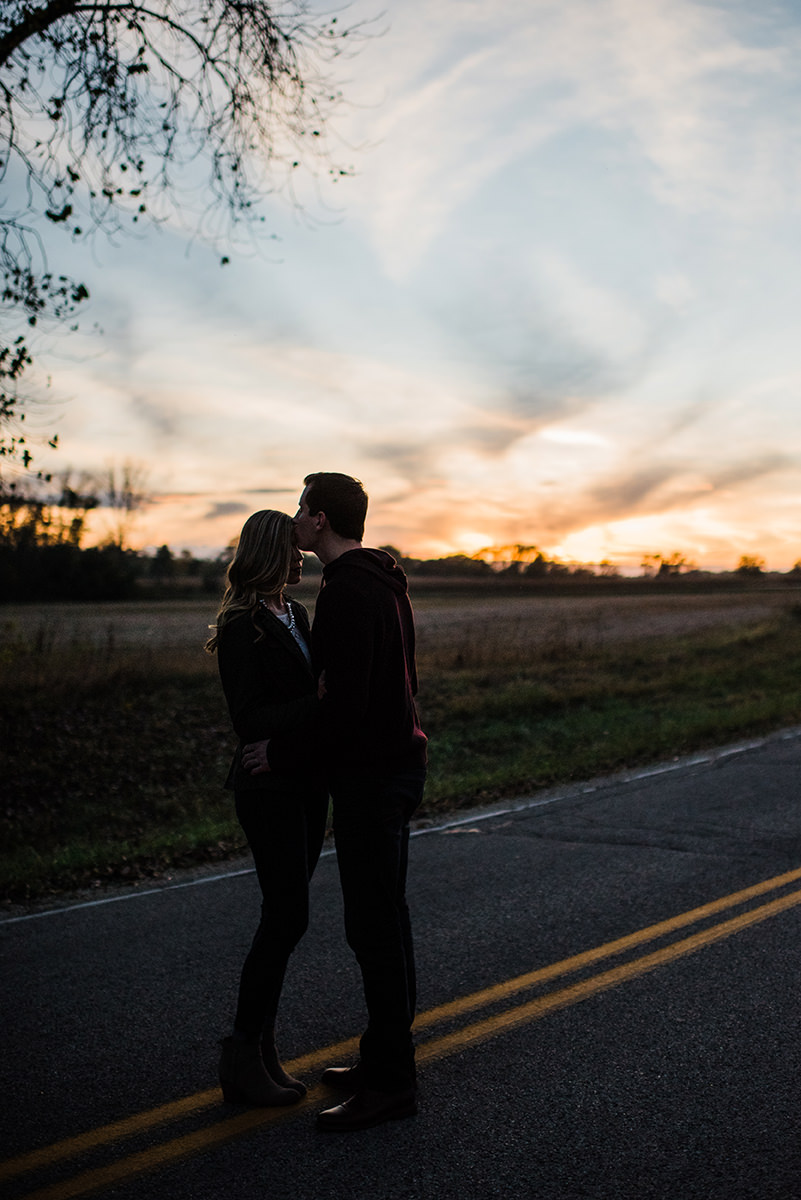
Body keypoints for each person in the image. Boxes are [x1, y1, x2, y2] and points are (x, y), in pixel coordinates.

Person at [258, 471, 427, 1131]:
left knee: (374, 929)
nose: (296, 523)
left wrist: (281, 753)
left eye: (302, 512)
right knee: (386, 918)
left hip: (372, 777)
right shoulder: (380, 580)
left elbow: (344, 707)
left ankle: (391, 1084)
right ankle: (383, 1058)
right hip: (394, 768)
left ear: (319, 520)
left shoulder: (348, 592)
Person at [205, 509, 328, 1107]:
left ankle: (264, 1051)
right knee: (286, 918)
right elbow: (248, 720)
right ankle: (241, 1052)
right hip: (267, 789)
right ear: (271, 553)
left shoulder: (295, 613)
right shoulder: (241, 625)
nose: (303, 556)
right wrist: (317, 699)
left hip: (306, 784)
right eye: (293, 549)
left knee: (288, 916)